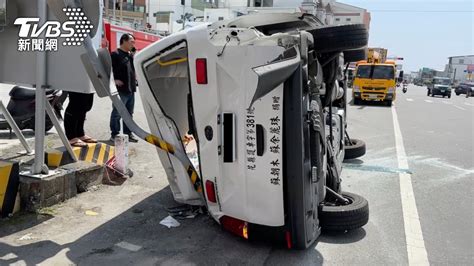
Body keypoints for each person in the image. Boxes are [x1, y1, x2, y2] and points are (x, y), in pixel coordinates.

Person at [110, 33, 138, 143]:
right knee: (117, 113)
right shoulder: (115, 54)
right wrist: (114, 80)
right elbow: (108, 71)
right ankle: (115, 134)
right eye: (131, 41)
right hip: (120, 90)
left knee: (129, 113)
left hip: (131, 89)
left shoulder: (130, 55)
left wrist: (134, 55)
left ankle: (128, 133)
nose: (133, 44)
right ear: (124, 41)